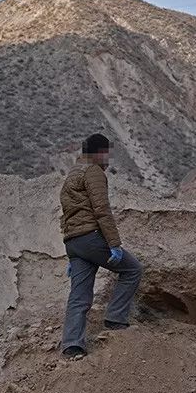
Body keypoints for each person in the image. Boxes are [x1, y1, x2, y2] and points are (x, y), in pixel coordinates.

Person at [59, 133, 142, 358]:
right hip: (91, 238)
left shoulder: (72, 174)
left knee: (79, 295)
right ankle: (115, 319)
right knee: (133, 269)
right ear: (100, 152)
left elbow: (68, 213)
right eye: (107, 153)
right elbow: (101, 210)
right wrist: (114, 244)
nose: (108, 158)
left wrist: (71, 253)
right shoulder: (93, 171)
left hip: (73, 242)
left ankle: (72, 345)